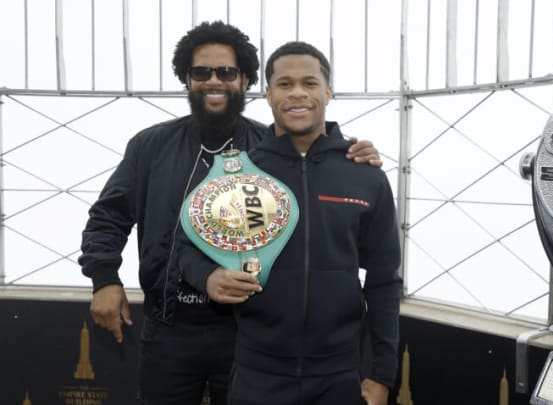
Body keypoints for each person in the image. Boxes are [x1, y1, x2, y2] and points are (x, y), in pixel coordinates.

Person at [78, 21, 382, 404]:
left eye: (226, 72)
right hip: (168, 329)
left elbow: (315, 173)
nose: (213, 82)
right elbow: (109, 216)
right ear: (186, 79)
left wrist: (352, 154)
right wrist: (104, 278)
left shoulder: (270, 150)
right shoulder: (150, 146)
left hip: (247, 333)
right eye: (201, 72)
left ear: (247, 81)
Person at [180, 41, 402, 405]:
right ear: (267, 94)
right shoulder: (238, 175)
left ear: (328, 91)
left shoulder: (366, 176)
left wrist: (381, 374)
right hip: (257, 374)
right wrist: (208, 276)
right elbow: (184, 250)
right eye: (285, 84)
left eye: (310, 83)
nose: (298, 93)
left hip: (340, 377)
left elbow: (384, 281)